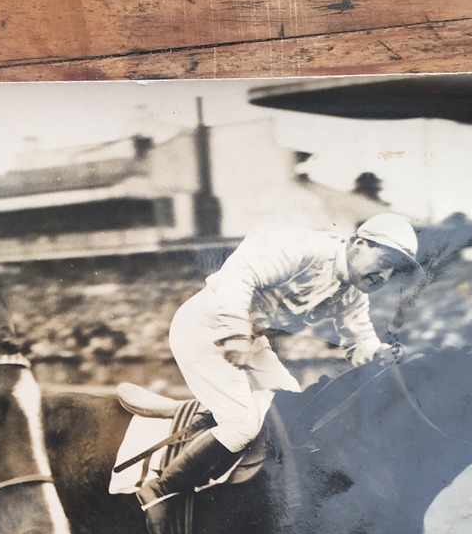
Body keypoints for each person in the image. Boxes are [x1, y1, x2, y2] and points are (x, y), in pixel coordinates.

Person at [135, 212, 420, 511]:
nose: (384, 278)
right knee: (242, 425)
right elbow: (239, 276)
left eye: (394, 273)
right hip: (205, 327)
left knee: (296, 414)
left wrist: (378, 353)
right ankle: (160, 489)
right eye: (386, 264)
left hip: (251, 339)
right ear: (360, 243)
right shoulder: (305, 248)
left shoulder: (352, 294)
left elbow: (359, 340)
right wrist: (234, 333)